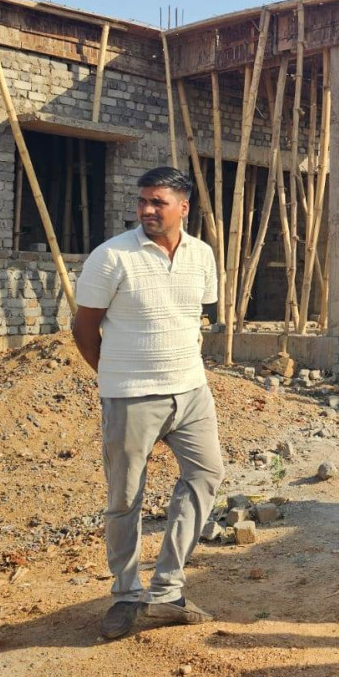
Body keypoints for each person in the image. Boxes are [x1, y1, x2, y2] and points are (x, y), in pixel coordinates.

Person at [72, 167, 223, 641]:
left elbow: (195, 314)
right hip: (130, 395)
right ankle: (125, 594)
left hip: (191, 390)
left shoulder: (202, 255)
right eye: (143, 201)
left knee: (206, 476)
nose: (147, 210)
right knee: (125, 498)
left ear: (184, 207)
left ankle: (167, 591)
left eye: (158, 202)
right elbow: (83, 328)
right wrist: (115, 375)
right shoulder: (111, 256)